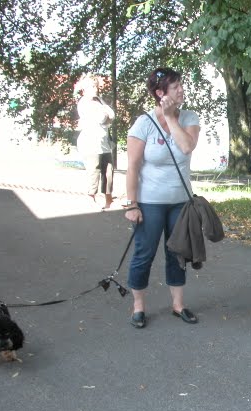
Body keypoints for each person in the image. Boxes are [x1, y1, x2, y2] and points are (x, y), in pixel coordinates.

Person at [124, 68, 200, 329]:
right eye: (175, 86)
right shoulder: (143, 123)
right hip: (149, 202)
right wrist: (132, 204)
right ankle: (138, 307)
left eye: (181, 84)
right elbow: (132, 167)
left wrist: (170, 118)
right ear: (160, 93)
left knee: (177, 253)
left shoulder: (189, 117)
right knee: (144, 253)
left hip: (181, 201)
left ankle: (178, 305)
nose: (181, 89)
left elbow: (187, 146)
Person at [75, 75, 116, 210]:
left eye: (96, 86)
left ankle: (109, 200)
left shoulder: (99, 100)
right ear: (85, 88)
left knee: (109, 170)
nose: (95, 89)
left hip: (104, 142)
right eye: (92, 86)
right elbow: (102, 118)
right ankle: (91, 198)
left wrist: (106, 115)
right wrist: (106, 115)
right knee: (94, 170)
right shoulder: (84, 103)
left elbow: (111, 115)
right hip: (90, 142)